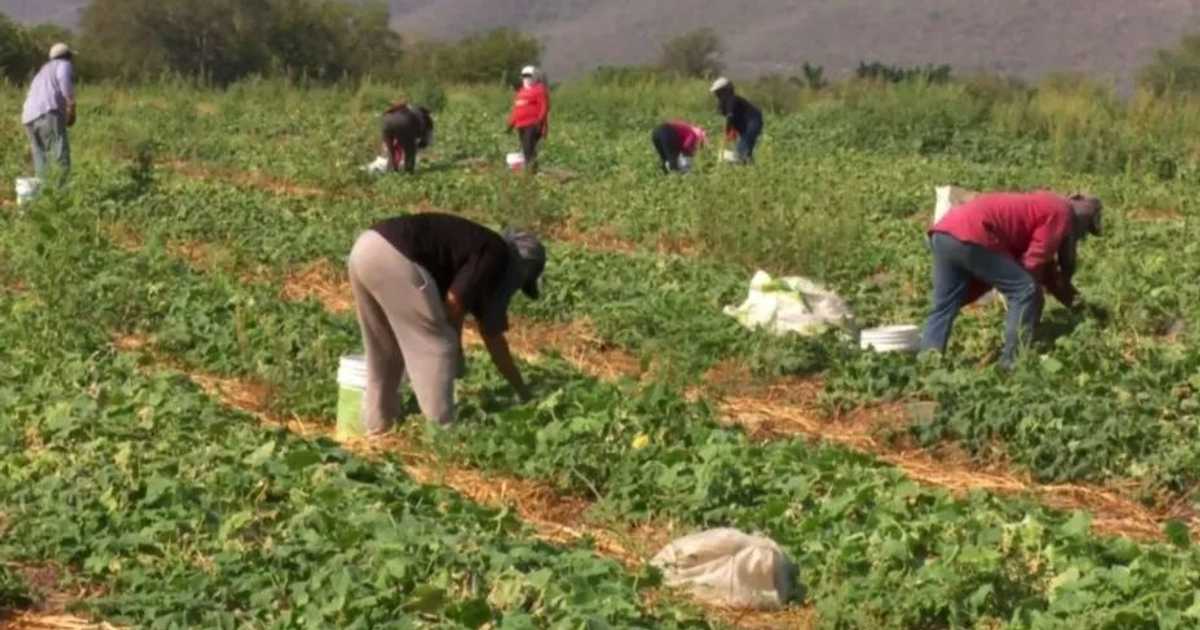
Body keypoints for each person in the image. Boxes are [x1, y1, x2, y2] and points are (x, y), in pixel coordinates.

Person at [347, 212, 546, 436]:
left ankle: (378, 428)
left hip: (365, 248)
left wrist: (520, 388)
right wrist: (454, 348)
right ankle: (442, 436)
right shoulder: (496, 253)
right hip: (396, 257)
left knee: (385, 349)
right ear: (522, 269)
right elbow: (454, 303)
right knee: (437, 346)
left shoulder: (477, 245)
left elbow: (491, 334)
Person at [919, 191, 1102, 367]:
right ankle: (1012, 362)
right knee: (1025, 289)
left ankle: (928, 362)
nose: (1083, 236)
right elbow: (1034, 263)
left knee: (944, 305)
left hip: (943, 232)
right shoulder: (1061, 213)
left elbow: (1047, 271)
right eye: (1086, 230)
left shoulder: (1042, 205)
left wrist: (1080, 305)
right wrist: (1033, 304)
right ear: (1082, 218)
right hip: (972, 232)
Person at [22, 43, 76, 190]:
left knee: (40, 155)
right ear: (67, 56)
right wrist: (71, 106)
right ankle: (61, 193)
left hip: (28, 117)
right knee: (60, 150)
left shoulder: (42, 71)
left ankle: (43, 193)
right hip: (47, 112)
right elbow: (64, 82)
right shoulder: (64, 65)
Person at [507, 65, 550, 173]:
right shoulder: (521, 92)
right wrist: (510, 124)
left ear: (535, 76)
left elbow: (544, 107)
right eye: (524, 76)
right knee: (525, 147)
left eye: (529, 76)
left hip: (532, 124)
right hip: (521, 124)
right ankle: (529, 168)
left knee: (528, 146)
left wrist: (539, 121)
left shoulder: (539, 90)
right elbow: (516, 109)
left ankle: (531, 169)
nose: (526, 78)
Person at [710, 77, 762, 165]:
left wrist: (727, 129)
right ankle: (749, 168)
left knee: (743, 150)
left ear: (724, 90)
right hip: (746, 125)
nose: (716, 94)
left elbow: (730, 116)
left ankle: (748, 170)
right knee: (743, 149)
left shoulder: (730, 98)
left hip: (752, 122)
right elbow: (729, 117)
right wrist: (730, 130)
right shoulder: (725, 100)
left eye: (718, 92)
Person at [380, 101, 434, 174]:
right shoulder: (427, 119)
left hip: (386, 121)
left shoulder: (409, 109)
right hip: (403, 120)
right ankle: (408, 173)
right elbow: (426, 139)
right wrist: (418, 147)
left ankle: (391, 171)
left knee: (390, 151)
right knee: (410, 151)